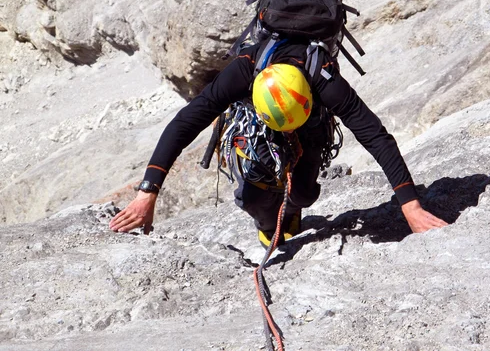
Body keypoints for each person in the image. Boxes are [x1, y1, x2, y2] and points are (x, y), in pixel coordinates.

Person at [109, 36, 448, 242]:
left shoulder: (325, 81)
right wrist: (147, 193)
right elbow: (184, 124)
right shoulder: (242, 71)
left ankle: (295, 206)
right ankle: (269, 221)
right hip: (257, 123)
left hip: (310, 123)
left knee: (303, 191)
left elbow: (375, 135)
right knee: (252, 196)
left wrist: (411, 205)